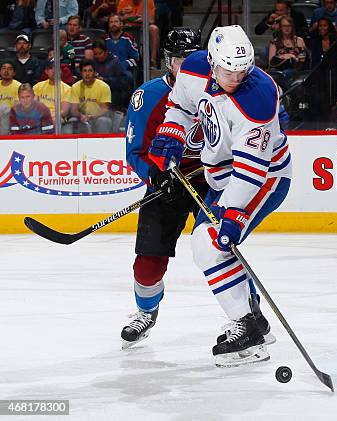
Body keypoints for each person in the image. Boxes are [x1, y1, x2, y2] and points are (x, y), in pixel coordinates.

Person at [147, 25, 291, 367]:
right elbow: (180, 106)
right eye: (227, 70)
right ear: (211, 61)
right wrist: (171, 134)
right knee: (206, 247)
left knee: (211, 243)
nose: (235, 78)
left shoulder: (257, 99)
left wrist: (234, 212)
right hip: (222, 175)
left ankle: (248, 329)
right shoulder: (194, 68)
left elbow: (251, 171)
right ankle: (253, 321)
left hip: (262, 177)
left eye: (242, 71)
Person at [120, 28, 207, 349]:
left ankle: (249, 314)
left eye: (190, 60)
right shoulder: (148, 97)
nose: (184, 67)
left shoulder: (221, 92)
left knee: (223, 250)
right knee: (148, 261)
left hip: (211, 182)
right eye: (177, 60)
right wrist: (156, 176)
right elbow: (136, 151)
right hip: (166, 182)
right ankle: (145, 311)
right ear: (167, 61)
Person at [70, 59, 113, 133]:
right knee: (72, 120)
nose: (87, 74)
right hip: (81, 118)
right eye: (84, 71)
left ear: (95, 72)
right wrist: (81, 116)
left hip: (98, 118)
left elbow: (105, 109)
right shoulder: (75, 87)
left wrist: (91, 117)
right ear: (81, 73)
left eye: (90, 71)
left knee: (103, 121)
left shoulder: (104, 86)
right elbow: (73, 109)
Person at [34, 58, 76, 132]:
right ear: (46, 71)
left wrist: (48, 116)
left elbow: (63, 111)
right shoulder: (38, 86)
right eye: (50, 68)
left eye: (56, 68)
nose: (53, 71)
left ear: (60, 71)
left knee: (54, 120)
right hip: (39, 116)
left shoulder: (67, 89)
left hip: (57, 118)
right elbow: (33, 106)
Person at [92, 36, 132, 109]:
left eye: (100, 53)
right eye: (95, 54)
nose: (97, 56)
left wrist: (104, 80)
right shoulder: (93, 63)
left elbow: (122, 83)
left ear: (106, 51)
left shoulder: (114, 62)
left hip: (112, 95)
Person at [117, 0, 160, 67]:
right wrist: (124, 16)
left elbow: (152, 20)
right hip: (127, 27)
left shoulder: (148, 1)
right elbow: (116, 20)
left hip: (143, 26)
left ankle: (153, 60)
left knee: (154, 29)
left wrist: (142, 19)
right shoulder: (123, 1)